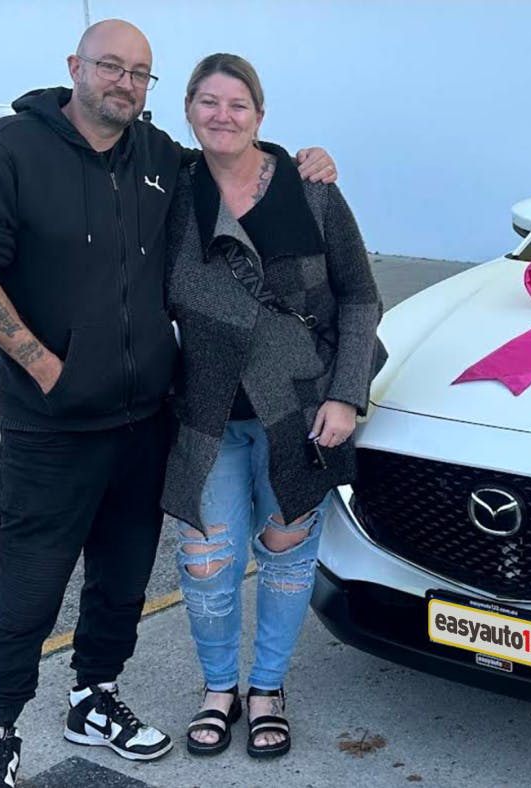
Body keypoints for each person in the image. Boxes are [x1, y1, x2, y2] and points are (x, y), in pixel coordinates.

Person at [0, 19, 337, 787]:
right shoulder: (9, 150)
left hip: (146, 417)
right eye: (110, 67)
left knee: (121, 576)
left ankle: (95, 697)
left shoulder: (161, 159)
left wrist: (301, 161)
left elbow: (239, 163)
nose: (123, 82)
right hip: (52, 423)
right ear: (75, 68)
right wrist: (45, 367)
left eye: (139, 73)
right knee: (30, 577)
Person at [162, 52, 384, 760]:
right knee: (205, 560)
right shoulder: (172, 189)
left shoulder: (309, 188)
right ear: (188, 110)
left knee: (288, 558)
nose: (222, 115)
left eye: (238, 104)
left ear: (260, 115)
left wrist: (348, 395)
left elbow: (359, 294)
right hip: (206, 411)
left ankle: (266, 690)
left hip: (302, 408)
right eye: (208, 102)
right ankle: (218, 688)